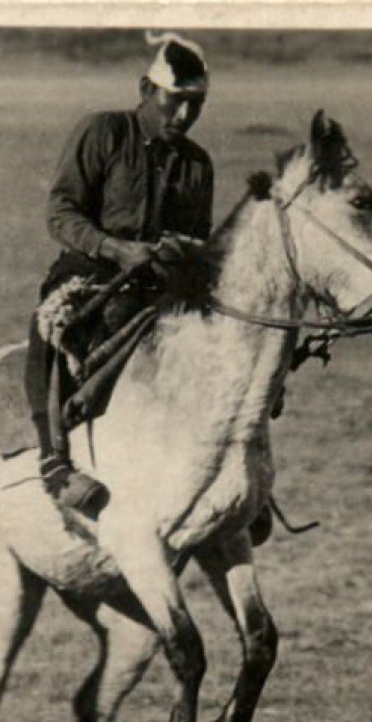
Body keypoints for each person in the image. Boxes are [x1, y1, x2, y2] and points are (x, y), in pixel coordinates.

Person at [25, 33, 215, 511]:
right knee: (50, 326)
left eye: (197, 104)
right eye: (176, 102)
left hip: (160, 286)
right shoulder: (102, 132)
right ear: (146, 88)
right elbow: (62, 212)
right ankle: (54, 462)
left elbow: (201, 240)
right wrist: (115, 248)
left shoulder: (198, 165)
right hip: (89, 273)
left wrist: (183, 251)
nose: (186, 116)